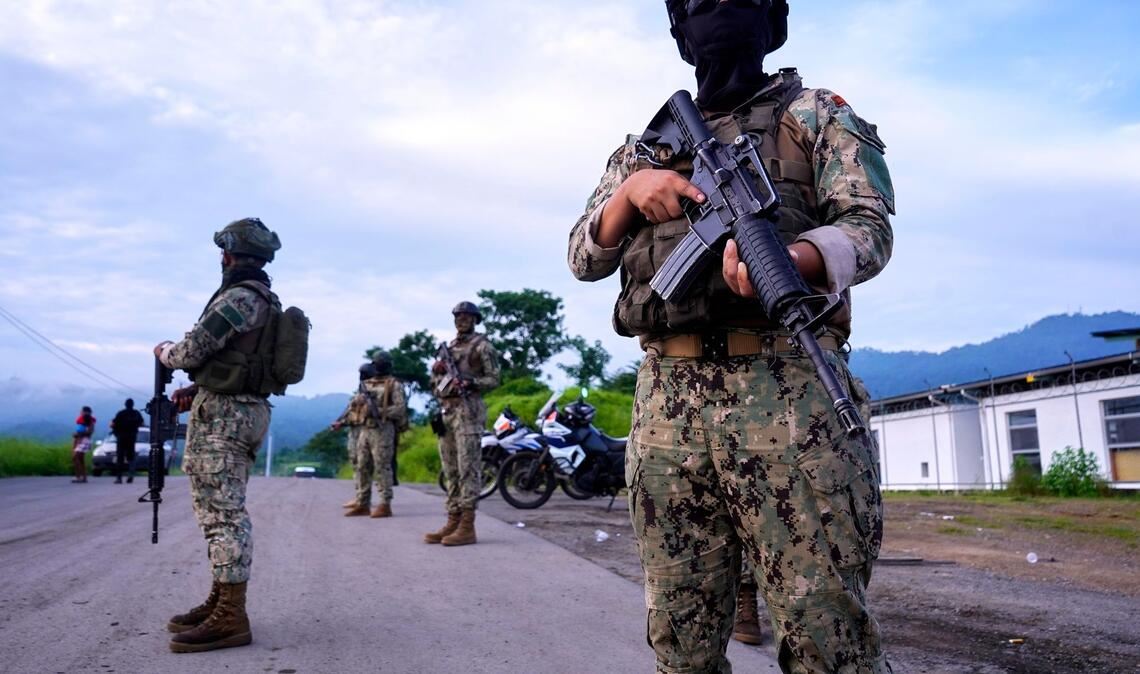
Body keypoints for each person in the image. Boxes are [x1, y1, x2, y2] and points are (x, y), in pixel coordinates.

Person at [567, 1, 895, 671]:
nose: (721, 10)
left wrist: (797, 259)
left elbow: (869, 228)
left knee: (828, 637)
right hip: (666, 410)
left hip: (791, 391)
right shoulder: (642, 149)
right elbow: (582, 257)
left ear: (772, 21)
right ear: (681, 33)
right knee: (682, 643)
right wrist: (632, 193)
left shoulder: (818, 115)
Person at [153, 217, 285, 654]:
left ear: (229, 255)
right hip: (242, 409)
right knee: (218, 512)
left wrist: (165, 352)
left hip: (226, 419)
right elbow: (237, 361)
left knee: (223, 516)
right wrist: (200, 387)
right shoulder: (265, 299)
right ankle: (221, 599)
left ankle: (231, 616)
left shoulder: (239, 298)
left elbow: (192, 349)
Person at [423, 301, 500, 547]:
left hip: (468, 410)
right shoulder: (449, 347)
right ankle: (452, 520)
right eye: (458, 316)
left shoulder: (482, 346)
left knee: (468, 468)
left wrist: (470, 382)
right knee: (450, 469)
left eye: (467, 316)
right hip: (447, 410)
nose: (461, 320)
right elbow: (435, 385)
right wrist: (437, 372)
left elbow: (494, 378)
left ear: (475, 319)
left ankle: (467, 526)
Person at [333, 353, 408, 518]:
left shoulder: (394, 384)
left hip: (382, 429)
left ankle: (384, 503)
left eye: (383, 363)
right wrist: (345, 420)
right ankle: (363, 503)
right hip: (364, 430)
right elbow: (354, 408)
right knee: (362, 466)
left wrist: (379, 412)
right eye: (377, 363)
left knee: (382, 467)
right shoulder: (367, 384)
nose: (380, 366)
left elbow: (400, 408)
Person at [110, 398, 145, 484]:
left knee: (120, 457)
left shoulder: (121, 413)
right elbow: (142, 423)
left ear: (125, 404)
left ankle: (119, 478)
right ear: (133, 404)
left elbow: (113, 424)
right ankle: (130, 475)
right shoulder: (136, 413)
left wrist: (116, 432)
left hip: (121, 437)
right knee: (131, 457)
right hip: (131, 437)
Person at [71, 406, 95, 483]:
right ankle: (83, 477)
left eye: (82, 411)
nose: (80, 412)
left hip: (84, 441)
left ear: (86, 412)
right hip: (79, 440)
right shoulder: (82, 420)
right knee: (80, 459)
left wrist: (78, 434)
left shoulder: (90, 420)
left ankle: (79, 477)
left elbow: (90, 432)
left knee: (75, 457)